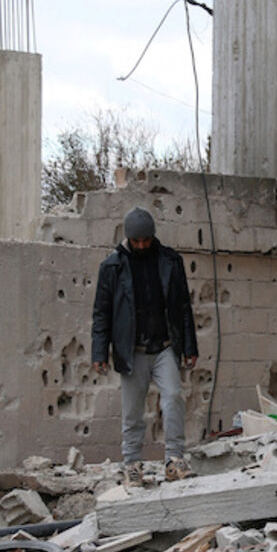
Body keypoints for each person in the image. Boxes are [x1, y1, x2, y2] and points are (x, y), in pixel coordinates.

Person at [91, 207, 199, 486]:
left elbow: (184, 307)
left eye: (146, 240)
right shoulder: (112, 267)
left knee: (173, 397)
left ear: (153, 236)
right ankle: (132, 465)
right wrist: (99, 352)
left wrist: (190, 346)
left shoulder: (170, 261)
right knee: (132, 412)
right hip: (132, 350)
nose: (141, 246)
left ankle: (174, 460)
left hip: (165, 347)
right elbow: (101, 313)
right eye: (136, 241)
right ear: (128, 238)